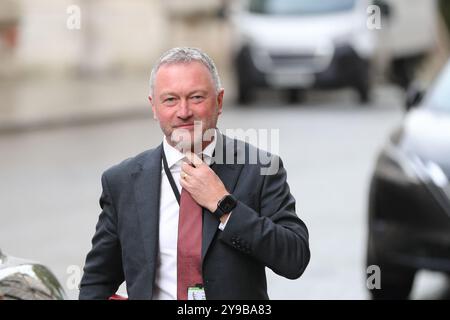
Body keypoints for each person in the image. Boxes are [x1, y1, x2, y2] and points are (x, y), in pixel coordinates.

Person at [79, 47, 310, 300]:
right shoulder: (122, 181)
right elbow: (96, 283)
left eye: (196, 97)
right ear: (153, 107)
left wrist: (224, 206)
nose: (184, 111)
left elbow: (294, 259)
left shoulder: (260, 168)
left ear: (219, 101)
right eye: (170, 100)